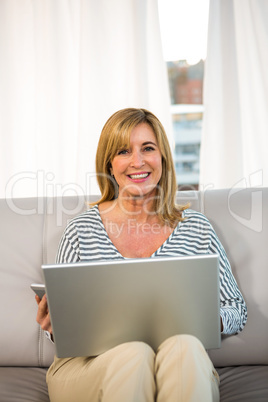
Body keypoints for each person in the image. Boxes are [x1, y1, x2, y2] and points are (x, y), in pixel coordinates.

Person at [36, 108, 247, 402]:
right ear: (110, 164)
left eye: (148, 148)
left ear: (162, 158)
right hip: (88, 365)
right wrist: (54, 326)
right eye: (124, 151)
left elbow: (236, 307)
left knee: (185, 345)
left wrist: (212, 319)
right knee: (133, 354)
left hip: (176, 358)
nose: (138, 161)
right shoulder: (80, 231)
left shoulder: (197, 229)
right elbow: (62, 327)